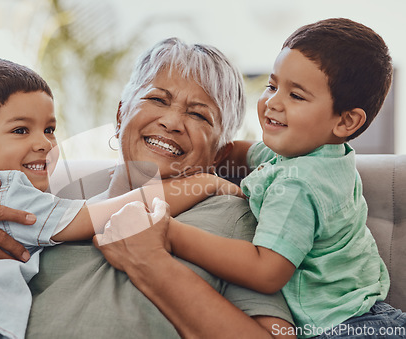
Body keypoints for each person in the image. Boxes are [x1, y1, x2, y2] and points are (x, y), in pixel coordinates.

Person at [0, 39, 296, 338]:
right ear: (120, 115)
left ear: (220, 151)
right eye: (156, 99)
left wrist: (153, 266)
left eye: (199, 114)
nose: (172, 122)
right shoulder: (42, 205)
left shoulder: (231, 214)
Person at [116, 19, 405, 338]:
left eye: (296, 96)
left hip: (352, 328)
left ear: (346, 121)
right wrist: (205, 154)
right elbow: (237, 153)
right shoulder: (305, 153)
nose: (273, 103)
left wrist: (169, 233)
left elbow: (266, 271)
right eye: (272, 86)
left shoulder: (299, 184)